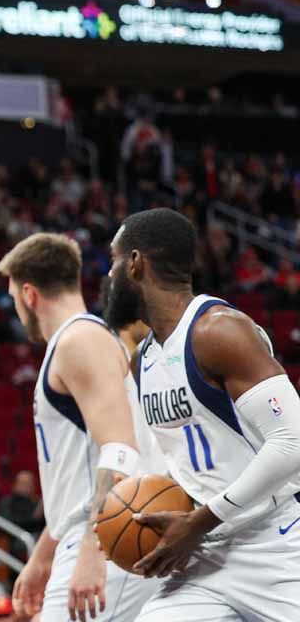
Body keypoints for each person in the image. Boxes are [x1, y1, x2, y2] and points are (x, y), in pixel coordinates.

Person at [103, 208, 300, 621]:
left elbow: (293, 442)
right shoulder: (143, 361)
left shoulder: (219, 331)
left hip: (278, 544)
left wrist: (199, 521)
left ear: (136, 263)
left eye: (114, 261)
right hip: (207, 557)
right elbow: (196, 461)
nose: (108, 276)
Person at [0, 232, 159, 622]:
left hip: (109, 536)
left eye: (14, 298)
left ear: (29, 294)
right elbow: (75, 473)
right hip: (99, 532)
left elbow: (120, 450)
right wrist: (43, 554)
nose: (17, 309)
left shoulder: (80, 340)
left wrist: (93, 548)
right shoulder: (82, 341)